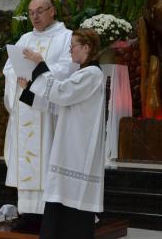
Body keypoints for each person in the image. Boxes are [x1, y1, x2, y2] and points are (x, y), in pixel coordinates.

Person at [19, 28, 105, 239]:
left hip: (79, 148)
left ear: (86, 48)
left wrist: (41, 65)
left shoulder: (92, 74)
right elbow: (57, 105)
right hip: (70, 145)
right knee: (60, 197)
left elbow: (62, 93)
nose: (70, 51)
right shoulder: (81, 74)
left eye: (72, 46)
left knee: (72, 199)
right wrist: (29, 90)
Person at [3, 0, 77, 230]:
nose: (34, 16)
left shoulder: (66, 38)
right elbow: (9, 69)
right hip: (26, 109)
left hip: (48, 115)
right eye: (31, 12)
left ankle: (51, 214)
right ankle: (27, 213)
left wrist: (39, 64)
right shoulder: (25, 38)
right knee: (27, 163)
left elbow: (68, 69)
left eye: (40, 11)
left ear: (52, 11)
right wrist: (18, 73)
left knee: (47, 161)